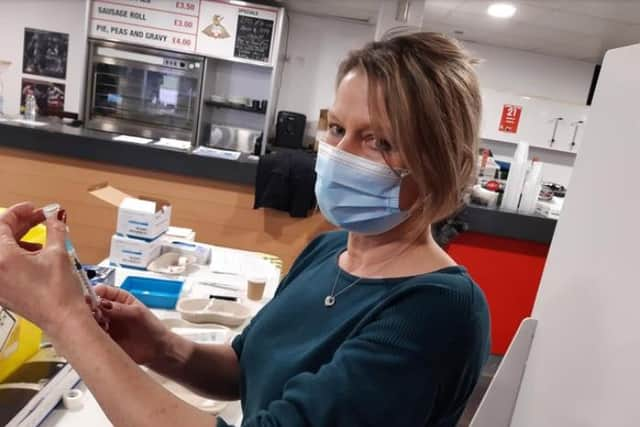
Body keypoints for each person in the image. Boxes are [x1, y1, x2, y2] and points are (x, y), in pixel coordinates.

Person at [0, 32, 490, 427]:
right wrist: (164, 347)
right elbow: (247, 368)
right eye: (338, 129)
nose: (342, 154)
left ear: (443, 163)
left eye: (381, 141)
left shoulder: (436, 312)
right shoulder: (327, 251)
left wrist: (64, 318)